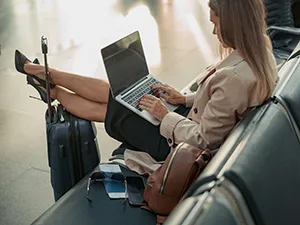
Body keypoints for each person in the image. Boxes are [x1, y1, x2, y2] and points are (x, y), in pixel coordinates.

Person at [15, 0, 278, 162]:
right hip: (188, 120)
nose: (213, 30)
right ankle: (48, 80)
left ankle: (49, 83)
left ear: (234, 23)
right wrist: (182, 99)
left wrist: (165, 115)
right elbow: (222, 103)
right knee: (120, 93)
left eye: (217, 24)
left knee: (113, 104)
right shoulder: (261, 50)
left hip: (175, 144)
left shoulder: (234, 78)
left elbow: (203, 140)